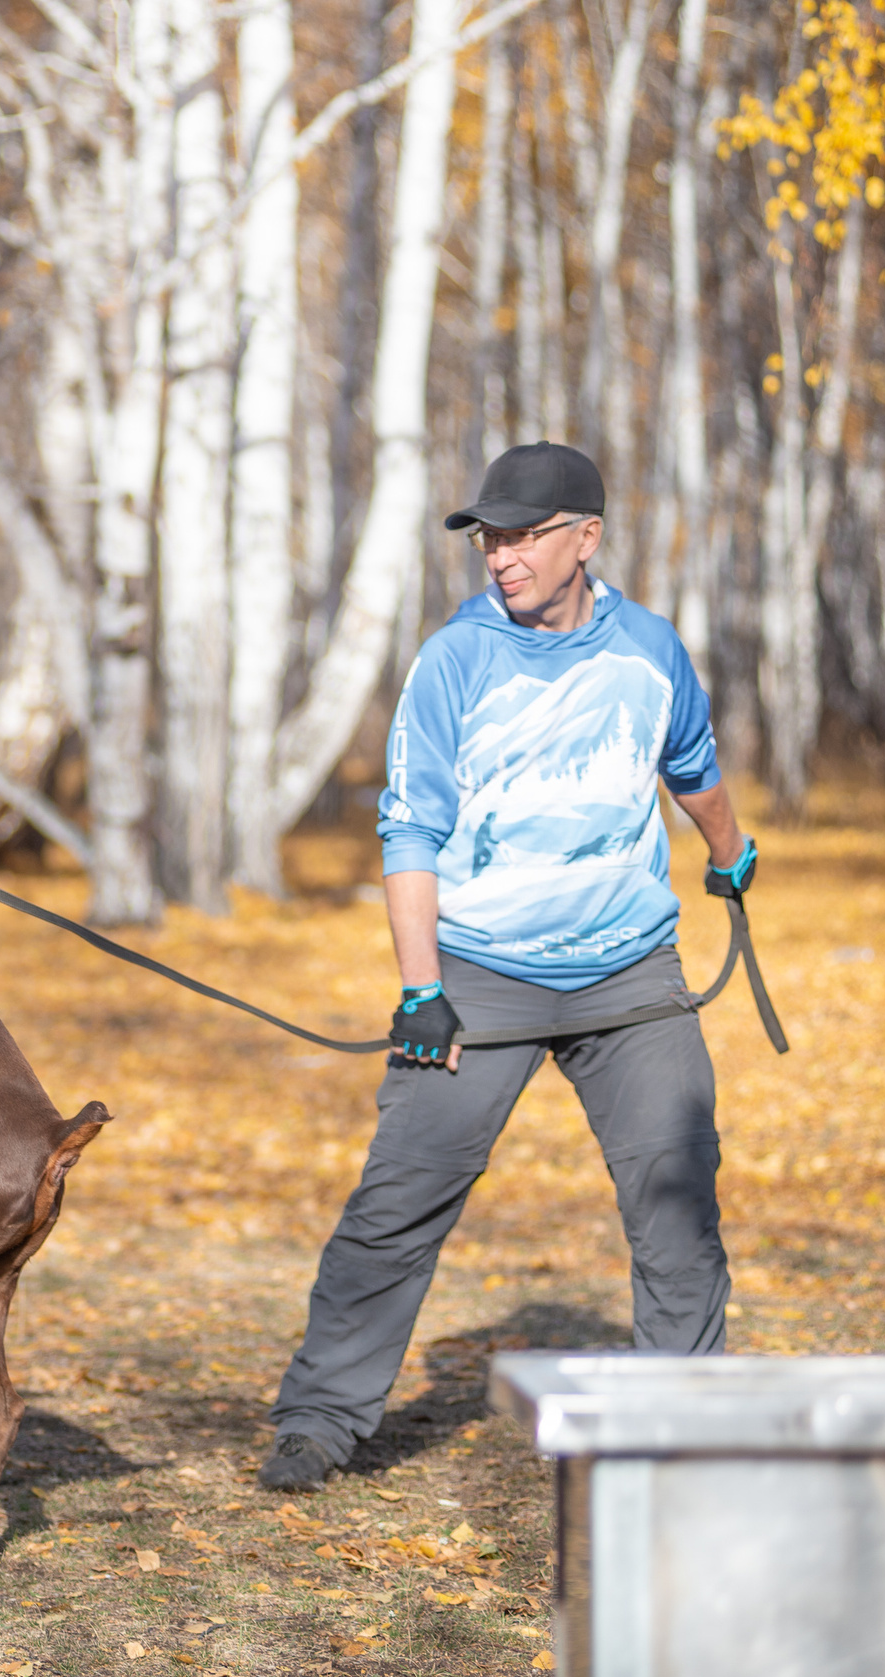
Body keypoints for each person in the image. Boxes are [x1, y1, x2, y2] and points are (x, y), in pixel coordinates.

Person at [260, 443, 757, 1493]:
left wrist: (730, 853)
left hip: (630, 973)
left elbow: (693, 770)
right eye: (489, 534)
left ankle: (679, 1416)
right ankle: (318, 1419)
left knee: (675, 1197)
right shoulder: (454, 661)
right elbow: (408, 830)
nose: (498, 555)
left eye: (523, 533)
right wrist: (419, 987)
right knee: (397, 1200)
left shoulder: (651, 650)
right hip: (477, 974)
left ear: (586, 536)